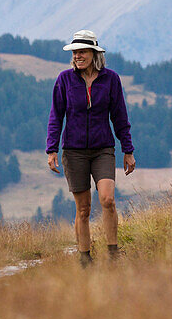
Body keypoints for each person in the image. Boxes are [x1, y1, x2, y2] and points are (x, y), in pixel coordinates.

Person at [46, 30, 136, 266]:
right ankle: (85, 259)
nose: (77, 56)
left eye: (82, 51)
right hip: (73, 152)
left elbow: (119, 115)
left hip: (102, 149)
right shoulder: (64, 80)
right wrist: (51, 149)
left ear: (94, 54)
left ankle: (113, 253)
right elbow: (56, 115)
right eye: (75, 52)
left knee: (107, 199)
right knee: (83, 208)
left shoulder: (111, 79)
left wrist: (128, 149)